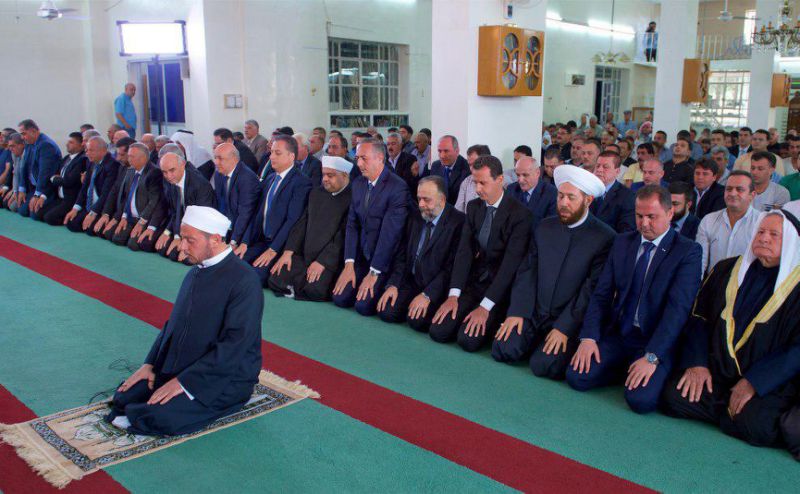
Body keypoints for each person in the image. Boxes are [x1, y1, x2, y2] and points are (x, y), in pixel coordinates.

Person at [106, 206, 263, 436]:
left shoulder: (245, 281)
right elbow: (174, 324)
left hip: (226, 377)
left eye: (190, 240)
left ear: (215, 239)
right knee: (123, 397)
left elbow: (234, 346)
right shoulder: (195, 271)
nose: (182, 247)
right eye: (182, 238)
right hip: (187, 364)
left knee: (155, 417)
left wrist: (185, 382)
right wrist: (150, 365)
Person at [662, 210, 800, 452]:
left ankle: (729, 409)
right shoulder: (726, 269)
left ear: (790, 242)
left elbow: (796, 350)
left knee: (757, 425)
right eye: (760, 232)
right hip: (717, 372)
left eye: (774, 234)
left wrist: (754, 382)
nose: (764, 238)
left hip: (766, 382)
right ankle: (729, 410)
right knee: (673, 396)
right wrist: (697, 364)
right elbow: (698, 319)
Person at [566, 185, 702, 413]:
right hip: (622, 333)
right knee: (577, 376)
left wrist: (652, 357)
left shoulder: (688, 251)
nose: (644, 223)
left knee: (640, 401)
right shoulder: (622, 242)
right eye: (639, 216)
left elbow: (677, 311)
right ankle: (625, 369)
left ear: (670, 213)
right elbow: (601, 294)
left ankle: (645, 371)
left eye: (652, 217)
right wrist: (589, 337)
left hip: (655, 340)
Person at [492, 165, 615, 378]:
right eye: (560, 196)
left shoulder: (604, 237)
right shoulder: (544, 227)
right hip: (534, 312)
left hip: (567, 319)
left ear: (588, 200)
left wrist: (564, 328)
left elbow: (590, 290)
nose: (563, 203)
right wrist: (517, 312)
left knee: (544, 366)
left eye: (571, 197)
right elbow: (527, 272)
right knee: (503, 349)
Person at [428, 155, 531, 351]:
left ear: (500, 180)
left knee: (468, 340)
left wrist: (485, 307)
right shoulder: (474, 207)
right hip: (474, 282)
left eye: (483, 183)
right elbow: (464, 252)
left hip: (500, 289)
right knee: (439, 331)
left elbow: (509, 267)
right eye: (475, 182)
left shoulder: (520, 215)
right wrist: (453, 295)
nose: (477, 189)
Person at [377, 176, 465, 332]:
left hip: (436, 286)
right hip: (412, 280)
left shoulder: (458, 222)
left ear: (442, 200)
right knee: (386, 311)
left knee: (417, 321)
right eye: (419, 199)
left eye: (426, 200)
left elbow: (451, 268)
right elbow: (402, 254)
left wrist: (428, 295)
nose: (421, 204)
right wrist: (394, 284)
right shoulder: (415, 215)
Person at [332, 137, 409, 315]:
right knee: (340, 298)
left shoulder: (397, 187)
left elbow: (390, 236)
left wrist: (374, 272)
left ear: (380, 158)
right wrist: (349, 263)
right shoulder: (358, 184)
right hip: (362, 257)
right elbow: (352, 225)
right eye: (357, 158)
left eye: (363, 158)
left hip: (385, 261)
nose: (358, 163)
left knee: (363, 306)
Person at [268, 156, 353, 301]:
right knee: (275, 277)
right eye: (323, 174)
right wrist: (288, 252)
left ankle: (296, 287)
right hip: (305, 254)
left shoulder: (352, 198)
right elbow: (302, 224)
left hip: (329, 259)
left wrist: (323, 261)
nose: (325, 179)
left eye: (330, 175)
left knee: (315, 290)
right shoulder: (316, 193)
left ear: (344, 175)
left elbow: (343, 236)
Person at [243, 135, 312, 286]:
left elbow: (292, 220)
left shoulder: (301, 182)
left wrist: (273, 249)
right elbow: (258, 215)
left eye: (277, 153)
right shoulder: (270, 179)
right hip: (262, 241)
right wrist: (244, 242)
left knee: (254, 276)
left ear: (291, 156)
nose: (272, 156)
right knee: (235, 264)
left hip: (281, 246)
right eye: (271, 152)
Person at [696, 170, 761, 276]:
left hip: (746, 284)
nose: (732, 193)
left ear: (752, 195)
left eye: (739, 189)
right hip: (713, 283)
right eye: (729, 189)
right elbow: (700, 262)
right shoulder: (709, 220)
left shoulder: (761, 222)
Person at [156, 152, 216, 263]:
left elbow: (201, 219)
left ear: (183, 164)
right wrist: (168, 233)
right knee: (162, 249)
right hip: (184, 226)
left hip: (201, 230)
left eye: (172, 170)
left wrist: (185, 240)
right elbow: (175, 211)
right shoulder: (172, 180)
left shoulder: (199, 184)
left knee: (181, 257)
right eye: (164, 172)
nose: (168, 176)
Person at [105, 143, 166, 252]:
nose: (129, 159)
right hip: (131, 217)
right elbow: (127, 197)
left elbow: (154, 201)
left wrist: (142, 222)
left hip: (145, 219)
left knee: (134, 245)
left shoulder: (154, 173)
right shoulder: (130, 171)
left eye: (132, 156)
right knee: (111, 235)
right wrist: (123, 217)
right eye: (128, 156)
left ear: (143, 158)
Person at [212, 142, 260, 257]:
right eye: (215, 158)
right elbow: (218, 204)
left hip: (243, 234)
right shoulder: (219, 174)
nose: (216, 162)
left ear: (234, 159)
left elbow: (245, 214)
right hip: (225, 227)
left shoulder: (247, 178)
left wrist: (234, 241)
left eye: (220, 158)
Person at [64, 137, 121, 234]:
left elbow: (106, 194)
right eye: (87, 150)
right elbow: (84, 187)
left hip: (102, 207)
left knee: (91, 229)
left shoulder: (112, 165)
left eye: (91, 150)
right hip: (90, 205)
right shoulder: (91, 162)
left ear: (103, 151)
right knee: (71, 223)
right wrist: (75, 208)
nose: (87, 153)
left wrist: (94, 212)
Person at [16, 119, 62, 219]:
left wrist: (38, 194)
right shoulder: (29, 144)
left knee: (34, 214)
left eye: (24, 134)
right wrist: (22, 189)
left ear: (33, 131)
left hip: (47, 188)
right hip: (34, 187)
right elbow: (24, 167)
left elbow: (44, 173)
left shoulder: (46, 145)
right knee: (21, 209)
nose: (22, 137)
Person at [41, 132, 88, 225]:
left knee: (49, 218)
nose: (67, 144)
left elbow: (69, 181)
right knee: (38, 213)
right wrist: (55, 178)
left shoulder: (82, 160)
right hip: (60, 198)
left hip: (70, 199)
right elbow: (55, 174)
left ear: (80, 145)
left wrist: (54, 179)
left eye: (71, 142)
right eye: (68, 142)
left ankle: (69, 218)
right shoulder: (67, 158)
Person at [506, 156, 557, 232]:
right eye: (518, 175)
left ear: (537, 173)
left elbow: (550, 228)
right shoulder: (511, 189)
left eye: (525, 175)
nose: (520, 180)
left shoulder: (552, 193)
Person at [589, 152, 636, 233]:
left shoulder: (627, 196)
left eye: (605, 167)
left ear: (617, 171)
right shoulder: (587, 190)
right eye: (597, 166)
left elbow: (626, 231)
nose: (599, 170)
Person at [426, 135, 469, 205]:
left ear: (457, 151)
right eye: (439, 151)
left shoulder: (467, 168)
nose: (442, 156)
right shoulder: (436, 165)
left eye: (446, 151)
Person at [454, 144, 491, 213]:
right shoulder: (466, 182)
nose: (471, 169)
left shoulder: (498, 182)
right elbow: (458, 211)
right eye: (469, 165)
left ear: (487, 161)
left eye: (475, 164)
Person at [385, 132, 419, 196]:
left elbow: (405, 182)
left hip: (404, 196)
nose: (390, 147)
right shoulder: (384, 161)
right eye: (388, 144)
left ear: (400, 145)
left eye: (393, 144)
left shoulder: (409, 159)